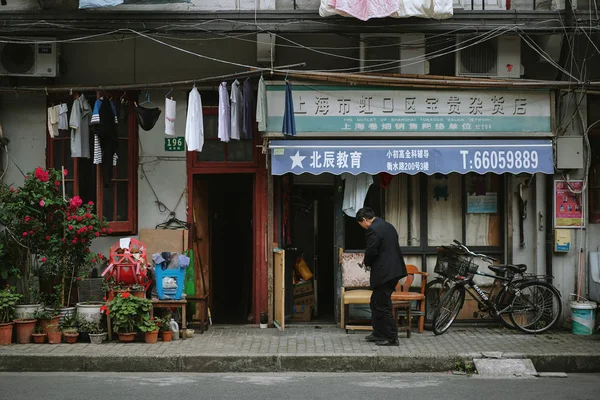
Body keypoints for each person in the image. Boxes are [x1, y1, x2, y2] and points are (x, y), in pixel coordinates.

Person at [356, 207, 407, 346]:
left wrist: (366, 262)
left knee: (382, 304)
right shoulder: (387, 225)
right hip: (393, 270)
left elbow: (372, 250)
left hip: (385, 272)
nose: (363, 228)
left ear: (365, 220)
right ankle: (378, 333)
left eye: (361, 225)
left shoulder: (373, 229)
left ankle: (391, 337)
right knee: (375, 302)